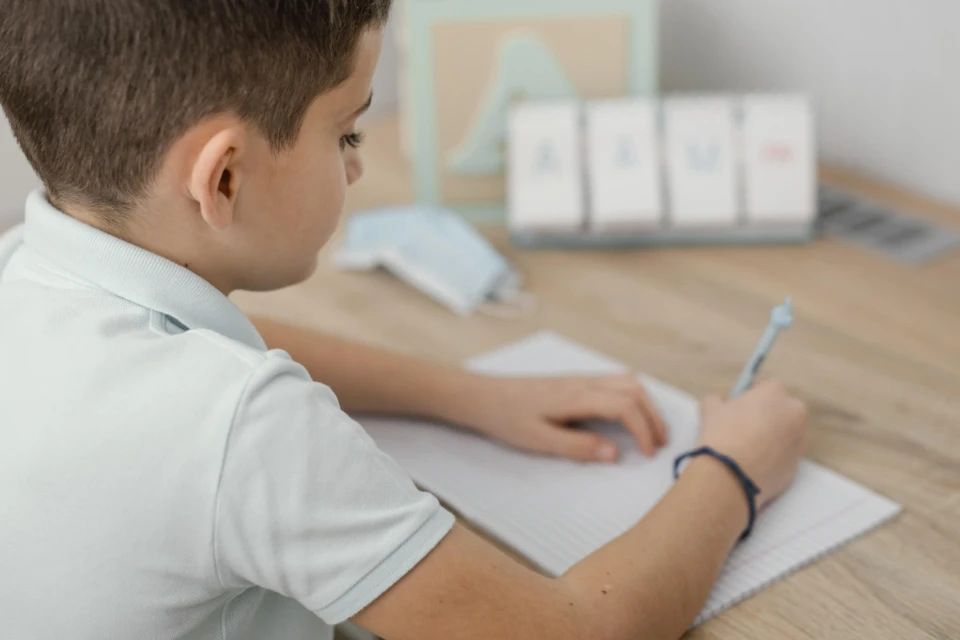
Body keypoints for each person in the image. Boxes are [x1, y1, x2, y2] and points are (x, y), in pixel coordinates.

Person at [0, 2, 808, 639]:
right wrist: (730, 470)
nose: (357, 162)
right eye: (346, 129)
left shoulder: (24, 269)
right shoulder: (250, 432)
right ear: (224, 179)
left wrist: (470, 396)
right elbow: (573, 632)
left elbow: (224, 358)